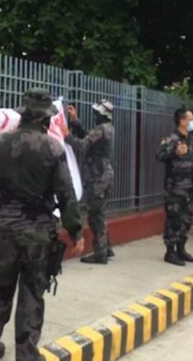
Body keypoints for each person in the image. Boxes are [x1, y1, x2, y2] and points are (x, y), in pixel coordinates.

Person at [0, 88, 85, 361]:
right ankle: (26, 354)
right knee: (32, 293)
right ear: (44, 118)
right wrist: (76, 232)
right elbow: (66, 194)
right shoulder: (52, 148)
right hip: (38, 233)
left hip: (6, 230)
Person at [62, 100, 115, 264]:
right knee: (99, 213)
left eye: (96, 113)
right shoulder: (107, 128)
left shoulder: (101, 129)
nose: (94, 115)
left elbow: (82, 145)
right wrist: (75, 121)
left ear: (102, 115)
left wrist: (67, 136)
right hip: (103, 176)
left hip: (98, 178)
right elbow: (88, 137)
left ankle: (100, 253)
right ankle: (106, 248)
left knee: (94, 215)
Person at [155, 108, 193, 266]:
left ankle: (181, 249)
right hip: (176, 187)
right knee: (173, 219)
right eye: (191, 119)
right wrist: (174, 151)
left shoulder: (192, 140)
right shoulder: (172, 139)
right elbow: (159, 155)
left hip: (191, 187)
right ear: (182, 121)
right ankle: (170, 252)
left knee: (186, 219)